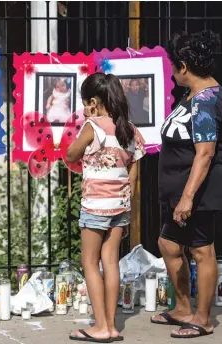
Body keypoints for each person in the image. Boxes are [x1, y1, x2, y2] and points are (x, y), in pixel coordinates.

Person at [151, 30, 222, 339]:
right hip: (180, 192)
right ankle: (182, 308)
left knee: (202, 251)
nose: (170, 69)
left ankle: (203, 318)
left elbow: (205, 154)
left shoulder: (206, 100)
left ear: (182, 66)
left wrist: (188, 197)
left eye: (171, 64)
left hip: (198, 191)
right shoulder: (192, 94)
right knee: (168, 244)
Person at [67, 72, 146, 342]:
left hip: (96, 205)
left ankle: (100, 327)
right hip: (120, 205)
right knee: (111, 262)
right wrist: (126, 199)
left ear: (93, 101)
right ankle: (111, 326)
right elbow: (134, 171)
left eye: (84, 102)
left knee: (89, 262)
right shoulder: (130, 129)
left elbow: (71, 154)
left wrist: (85, 125)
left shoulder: (93, 126)